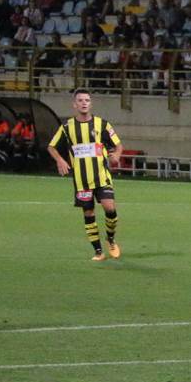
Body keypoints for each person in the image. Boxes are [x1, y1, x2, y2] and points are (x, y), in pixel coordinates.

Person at [46, 89, 123, 261]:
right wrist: (60, 160)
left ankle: (110, 239)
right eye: (80, 100)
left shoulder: (102, 124)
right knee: (88, 214)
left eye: (87, 100)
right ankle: (98, 251)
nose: (84, 103)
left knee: (110, 208)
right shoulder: (67, 127)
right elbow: (51, 146)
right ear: (75, 104)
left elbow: (118, 145)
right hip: (81, 180)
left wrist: (116, 156)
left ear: (91, 103)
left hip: (102, 176)